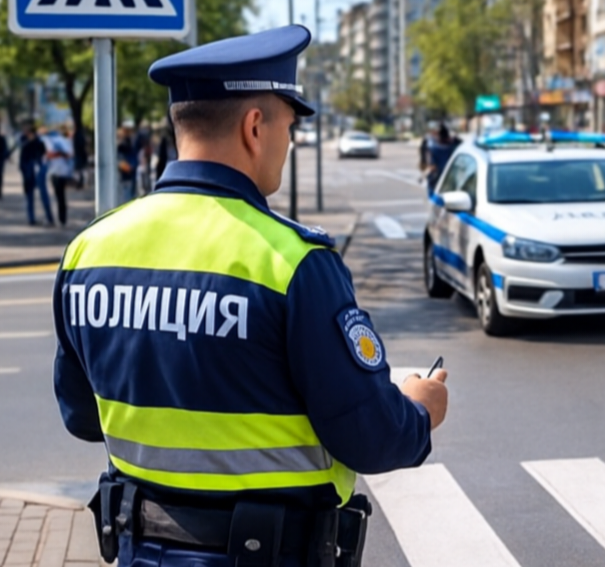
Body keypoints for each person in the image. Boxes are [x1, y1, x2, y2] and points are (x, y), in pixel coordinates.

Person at [52, 25, 448, 567]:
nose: (291, 142)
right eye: (289, 124)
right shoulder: (293, 263)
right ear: (255, 126)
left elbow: (81, 415)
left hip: (139, 549)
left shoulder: (89, 251)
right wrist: (421, 411)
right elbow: (370, 437)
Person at [18, 125, 53, 226]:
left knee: (43, 194)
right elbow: (22, 156)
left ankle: (49, 218)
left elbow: (42, 153)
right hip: (28, 172)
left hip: (38, 170)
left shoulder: (39, 142)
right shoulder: (24, 141)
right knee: (29, 196)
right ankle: (31, 218)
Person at [43, 126, 75, 226]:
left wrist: (57, 154)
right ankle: (61, 218)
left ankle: (62, 218)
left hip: (60, 173)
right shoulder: (58, 142)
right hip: (56, 172)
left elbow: (69, 154)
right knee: (59, 196)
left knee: (60, 196)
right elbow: (47, 156)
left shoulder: (64, 142)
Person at [425, 123, 459, 195]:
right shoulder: (453, 147)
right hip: (451, 178)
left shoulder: (433, 148)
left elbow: (432, 167)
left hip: (438, 180)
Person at [117, 125, 139, 202]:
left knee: (127, 194)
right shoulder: (129, 144)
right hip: (128, 172)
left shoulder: (124, 144)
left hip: (126, 173)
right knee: (129, 194)